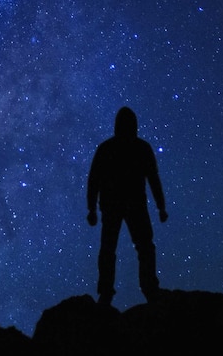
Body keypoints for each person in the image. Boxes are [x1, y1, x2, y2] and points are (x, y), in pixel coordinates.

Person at [87, 106, 168, 305]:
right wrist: (160, 207)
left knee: (116, 248)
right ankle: (147, 288)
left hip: (118, 205)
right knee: (140, 247)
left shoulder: (108, 148)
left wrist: (92, 209)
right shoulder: (140, 148)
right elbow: (153, 179)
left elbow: (94, 180)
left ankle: (110, 292)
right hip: (128, 205)